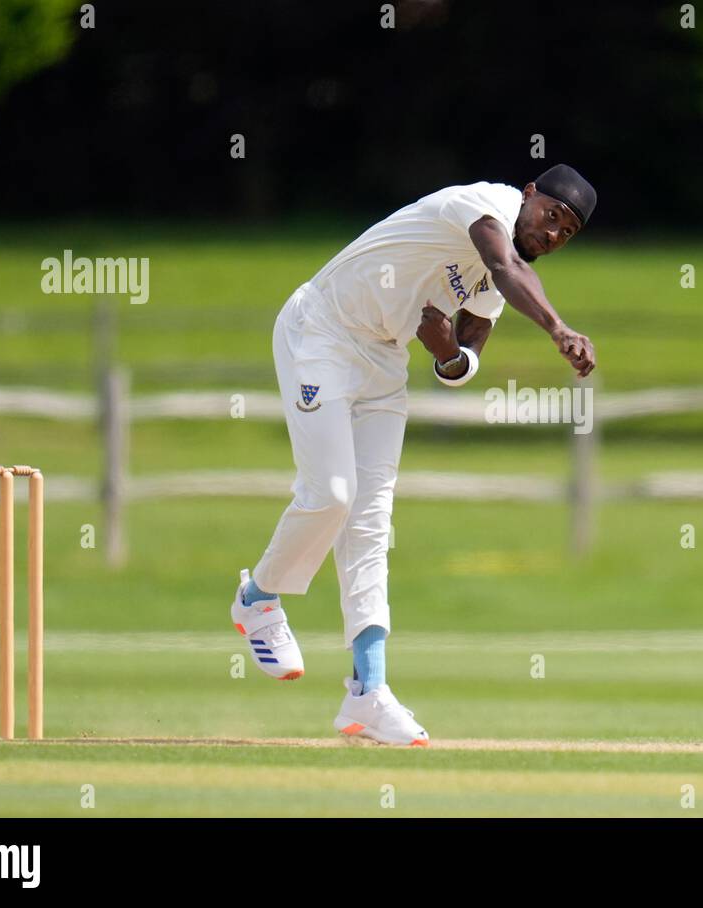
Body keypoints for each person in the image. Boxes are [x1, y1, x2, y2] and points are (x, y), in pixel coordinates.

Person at [230, 164, 598, 745]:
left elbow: (464, 357)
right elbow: (506, 267)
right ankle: (258, 597)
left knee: (371, 524)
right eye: (550, 216)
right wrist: (558, 329)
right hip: (322, 330)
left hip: (384, 362)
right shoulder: (483, 206)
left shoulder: (493, 284)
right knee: (331, 495)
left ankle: (368, 694)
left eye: (567, 232)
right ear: (528, 195)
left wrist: (450, 353)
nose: (552, 233)